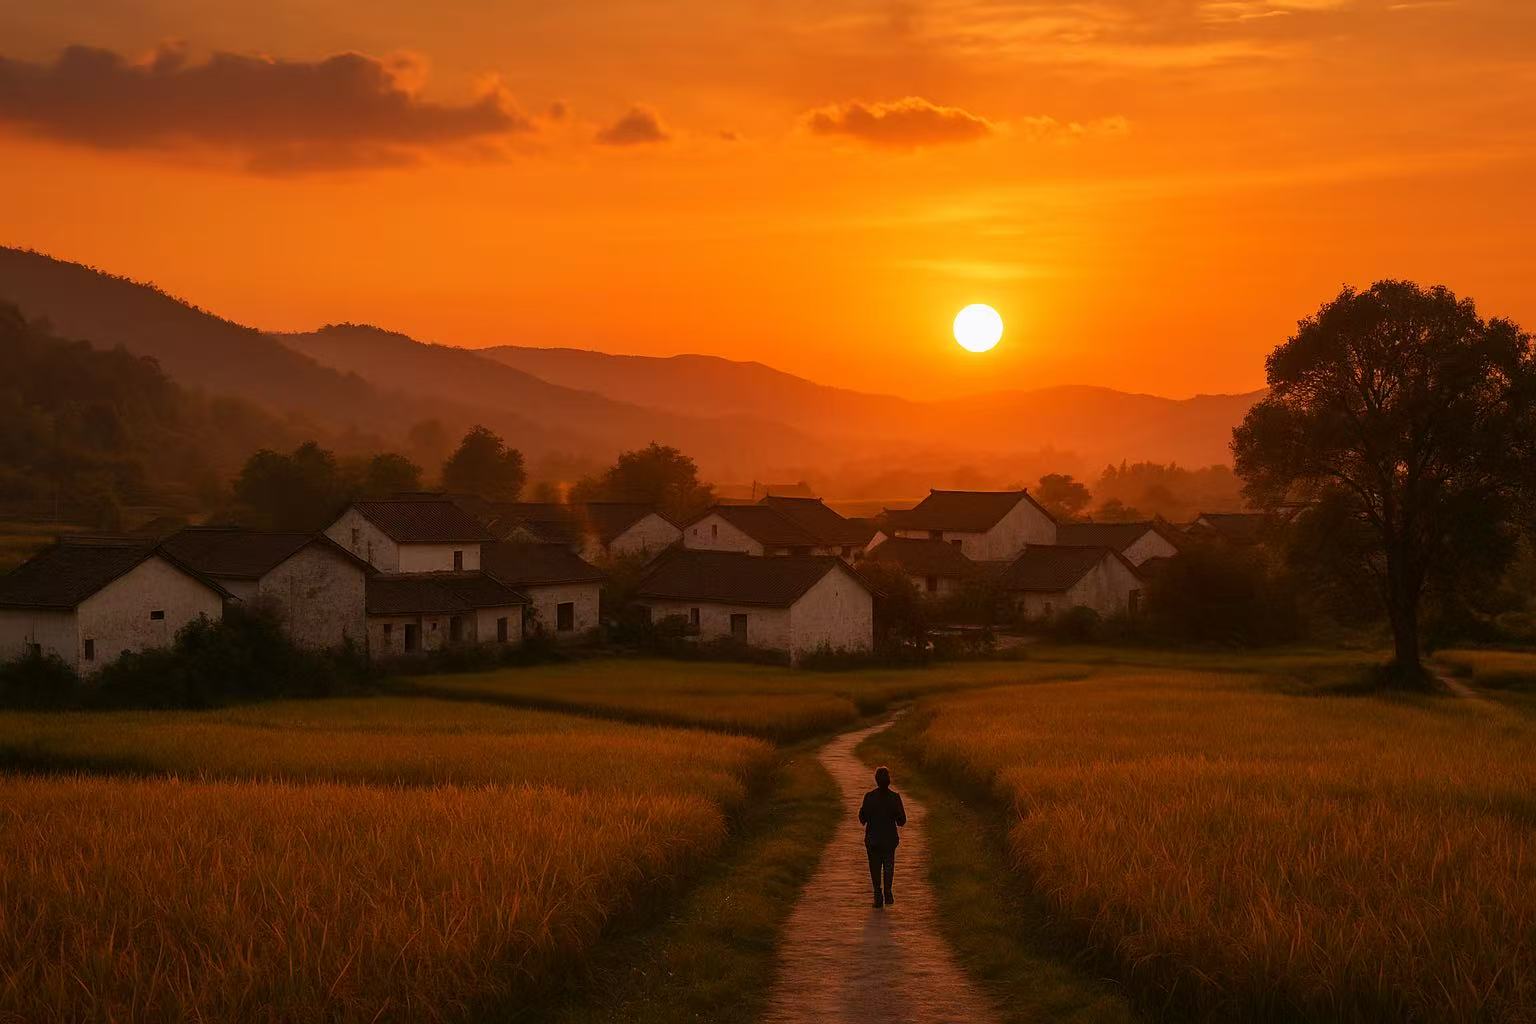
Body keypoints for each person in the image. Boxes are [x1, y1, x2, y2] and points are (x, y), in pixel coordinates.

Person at [858, 765, 907, 909]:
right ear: (889, 781)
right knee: (888, 866)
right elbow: (902, 821)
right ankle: (888, 892)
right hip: (889, 840)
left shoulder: (869, 797)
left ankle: (877, 895)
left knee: (874, 867)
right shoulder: (895, 798)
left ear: (876, 780)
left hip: (873, 840)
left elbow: (862, 819)